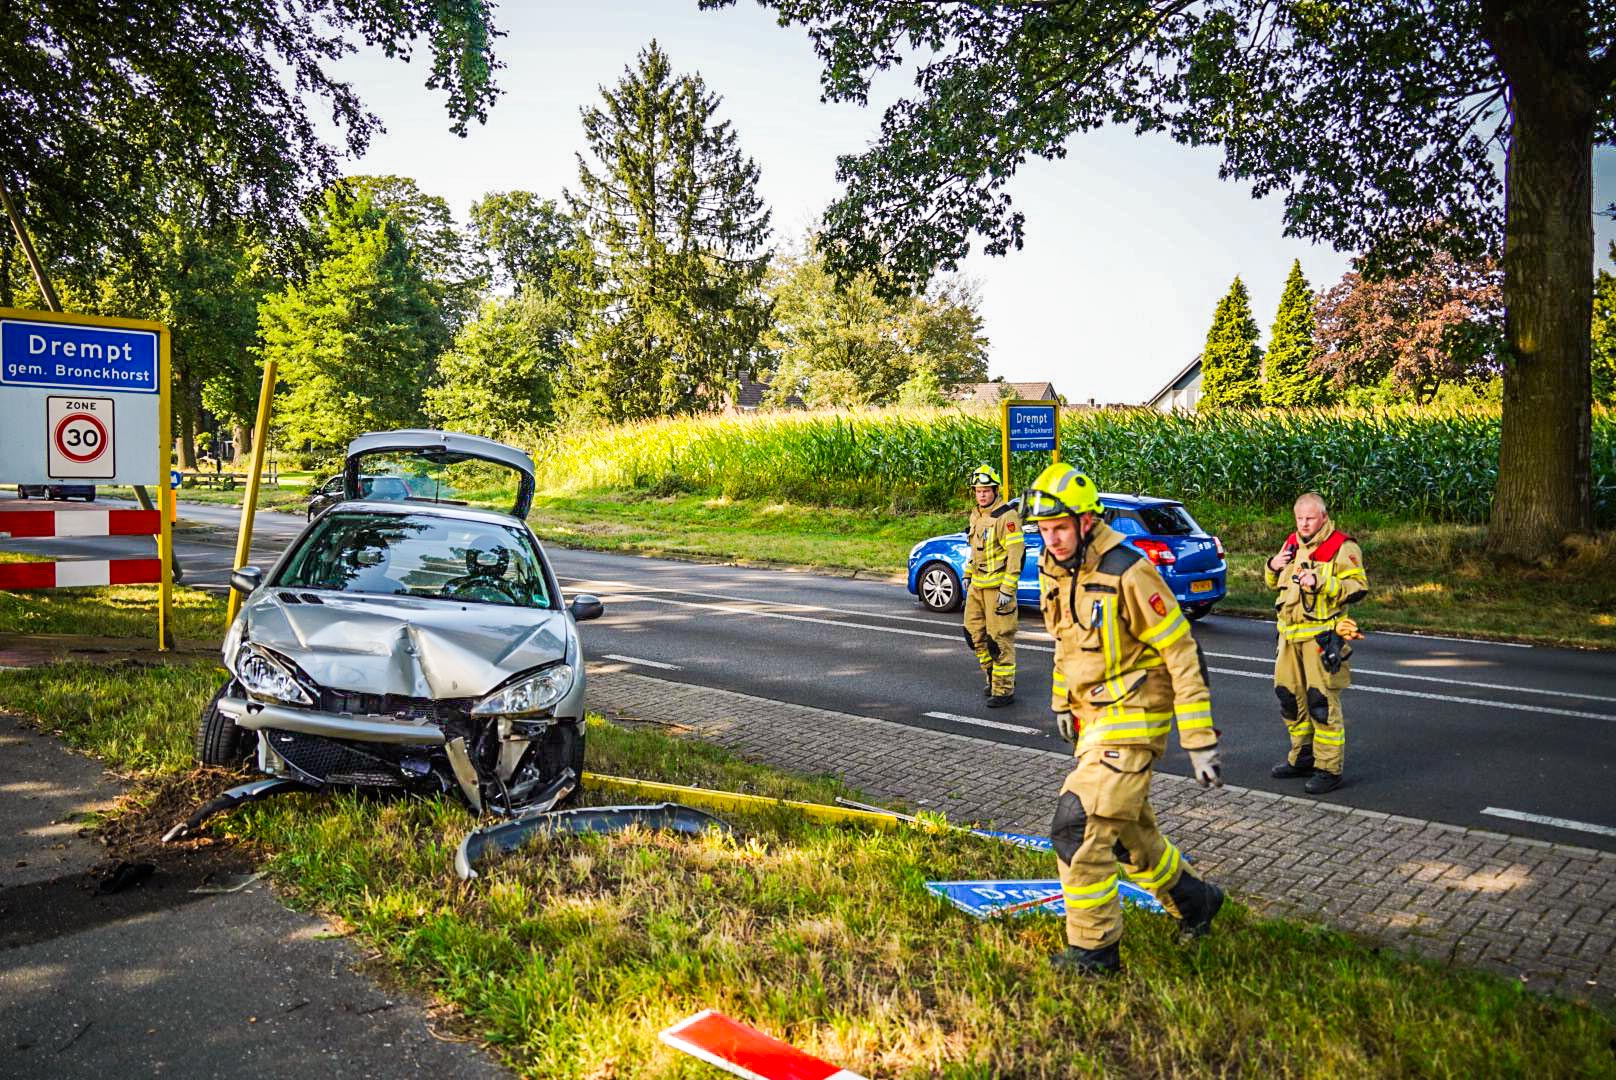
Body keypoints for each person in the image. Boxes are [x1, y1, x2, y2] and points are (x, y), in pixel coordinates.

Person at [1023, 462, 1226, 975]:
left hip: (1135, 717)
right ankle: (1196, 901)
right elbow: (1064, 644)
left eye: (1061, 528)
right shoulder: (1054, 567)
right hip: (1092, 720)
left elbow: (1181, 651)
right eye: (1045, 531)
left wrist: (1199, 740)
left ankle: (1094, 953)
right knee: (1130, 835)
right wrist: (1061, 703)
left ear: (1087, 521)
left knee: (1078, 827)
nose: (1053, 540)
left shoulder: (1128, 571)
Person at [1265, 492, 1368, 795]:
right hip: (1288, 637)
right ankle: (1302, 758)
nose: (1304, 524)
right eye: (1299, 518)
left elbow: (1358, 588)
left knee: (1321, 704)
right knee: (1288, 698)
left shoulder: (1342, 546)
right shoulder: (1291, 543)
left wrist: (1322, 582)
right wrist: (1272, 565)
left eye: (1310, 518)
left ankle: (1328, 768)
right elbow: (1273, 582)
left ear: (1323, 516)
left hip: (1321, 638)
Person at [961, 464, 1024, 707]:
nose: (982, 495)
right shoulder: (976, 514)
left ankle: (1004, 690)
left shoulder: (1007, 517)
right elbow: (973, 549)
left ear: (995, 490)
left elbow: (1016, 554)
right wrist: (967, 573)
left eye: (986, 490)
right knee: (973, 633)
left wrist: (1008, 590)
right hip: (977, 586)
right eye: (978, 491)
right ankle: (991, 675)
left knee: (999, 639)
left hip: (998, 589)